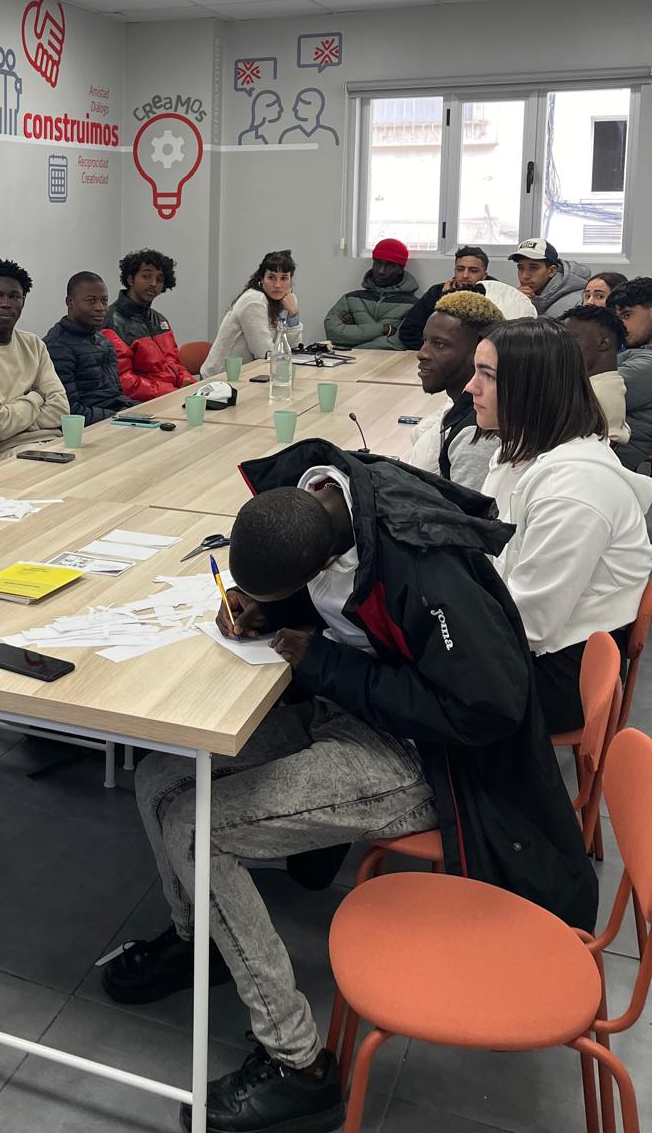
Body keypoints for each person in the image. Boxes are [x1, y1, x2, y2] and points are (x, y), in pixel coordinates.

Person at [103, 440, 595, 1133]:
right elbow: (319, 610)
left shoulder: (425, 568)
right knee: (157, 775)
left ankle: (297, 1063)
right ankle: (201, 940)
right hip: (349, 712)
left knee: (197, 823)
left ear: (325, 557)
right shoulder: (315, 498)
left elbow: (489, 706)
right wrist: (264, 611)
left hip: (425, 760)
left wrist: (327, 664)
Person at [468, 319, 652, 733]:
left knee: (395, 670)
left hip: (562, 670)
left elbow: (529, 625)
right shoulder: (521, 455)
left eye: (487, 375)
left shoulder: (573, 490)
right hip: (535, 640)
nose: (471, 387)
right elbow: (489, 555)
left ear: (532, 388)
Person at [0, 259, 69, 458]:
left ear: (23, 301)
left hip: (57, 442)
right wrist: (37, 397)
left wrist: (16, 415)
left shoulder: (34, 344)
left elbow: (61, 408)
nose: (6, 304)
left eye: (14, 296)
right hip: (8, 452)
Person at [409, 291, 504, 490]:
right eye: (424, 340)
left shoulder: (477, 436)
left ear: (480, 350)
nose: (422, 354)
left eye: (440, 344)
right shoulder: (462, 407)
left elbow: (467, 519)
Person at [399, 244, 534, 349]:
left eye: (473, 270)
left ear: (484, 275)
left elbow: (500, 338)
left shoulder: (497, 296)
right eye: (460, 269)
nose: (465, 275)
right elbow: (408, 332)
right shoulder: (436, 292)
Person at [102, 249, 192, 401]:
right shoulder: (112, 322)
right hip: (141, 406)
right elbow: (124, 381)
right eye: (146, 276)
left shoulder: (160, 320)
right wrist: (172, 393)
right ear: (130, 279)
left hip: (171, 398)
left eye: (159, 279)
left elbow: (174, 364)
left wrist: (191, 385)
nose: (153, 283)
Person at [43, 272, 132, 424]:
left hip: (112, 418)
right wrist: (118, 418)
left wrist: (136, 411)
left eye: (104, 301)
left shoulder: (104, 341)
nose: (100, 308)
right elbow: (69, 412)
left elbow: (115, 395)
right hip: (87, 429)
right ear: (70, 302)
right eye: (91, 301)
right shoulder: (57, 346)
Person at [200, 250, 302, 377]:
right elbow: (265, 353)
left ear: (291, 281)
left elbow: (292, 348)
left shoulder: (287, 300)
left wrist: (294, 314)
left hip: (250, 374)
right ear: (262, 279)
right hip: (221, 378)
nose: (277, 285)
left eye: (284, 278)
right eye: (271, 277)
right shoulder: (254, 301)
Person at [322, 238, 420, 349]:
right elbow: (333, 333)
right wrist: (385, 329)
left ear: (400, 269)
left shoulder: (414, 305)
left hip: (389, 363)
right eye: (377, 263)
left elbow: (398, 343)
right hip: (347, 363)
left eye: (390, 266)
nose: (381, 271)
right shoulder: (351, 298)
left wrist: (353, 344)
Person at [561, 305, 631, 445]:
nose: (561, 347)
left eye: (571, 340)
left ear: (604, 343)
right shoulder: (599, 386)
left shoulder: (596, 395)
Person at [605, 277, 652, 470]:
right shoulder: (635, 351)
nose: (620, 326)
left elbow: (594, 392)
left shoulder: (647, 363)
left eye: (626, 315)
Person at [509, 238, 591, 318]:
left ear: (551, 271)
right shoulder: (521, 296)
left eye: (533, 267)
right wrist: (515, 303)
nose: (525, 276)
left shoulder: (578, 303)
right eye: (520, 268)